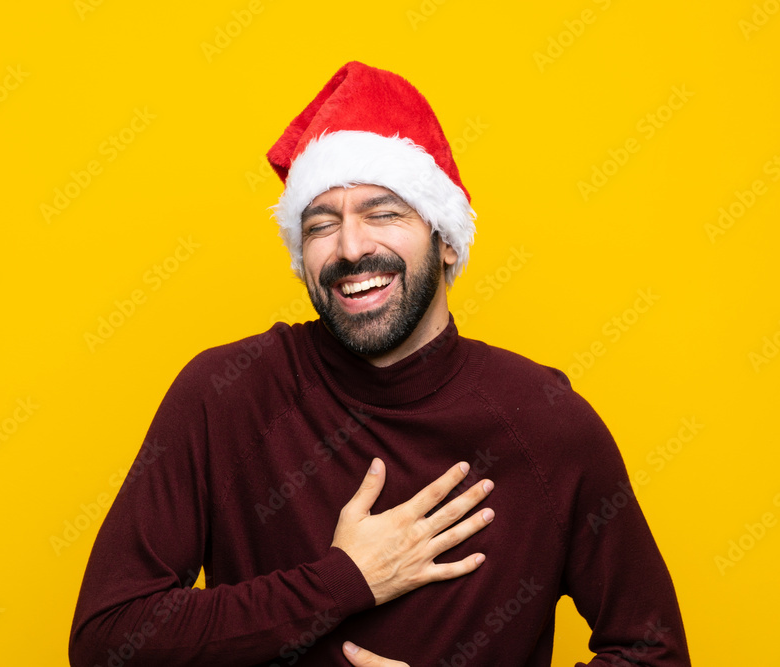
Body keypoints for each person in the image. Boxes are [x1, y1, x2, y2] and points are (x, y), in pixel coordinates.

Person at [68, 60, 691, 666]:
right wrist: (342, 581)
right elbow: (107, 639)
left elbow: (653, 653)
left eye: (383, 213)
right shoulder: (226, 396)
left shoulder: (547, 424)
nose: (351, 247)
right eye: (321, 224)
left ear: (446, 240)